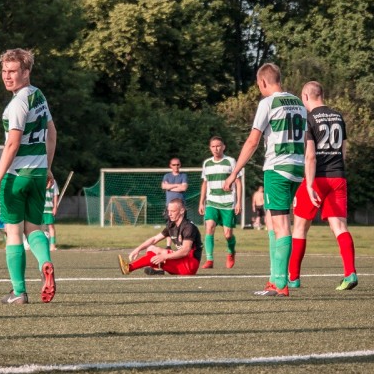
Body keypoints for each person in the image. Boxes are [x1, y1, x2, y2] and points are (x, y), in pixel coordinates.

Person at [223, 63, 307, 297]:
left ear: (262, 82)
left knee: (281, 225)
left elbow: (252, 141)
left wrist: (234, 172)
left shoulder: (268, 103)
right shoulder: (299, 103)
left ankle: (280, 282)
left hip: (277, 168)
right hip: (297, 167)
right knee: (273, 221)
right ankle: (274, 277)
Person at [0, 48, 57, 305]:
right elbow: (52, 133)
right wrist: (47, 167)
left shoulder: (17, 103)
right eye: (4, 71)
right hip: (38, 175)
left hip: (16, 176)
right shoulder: (38, 95)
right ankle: (45, 262)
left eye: (13, 71)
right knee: (34, 228)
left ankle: (19, 292)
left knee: (13, 232)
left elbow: (12, 144)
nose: (7, 76)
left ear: (26, 72)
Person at [288, 81, 359, 291]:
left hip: (317, 178)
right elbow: (344, 152)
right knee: (340, 227)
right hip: (338, 177)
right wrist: (339, 173)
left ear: (306, 96)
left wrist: (309, 185)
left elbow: (310, 156)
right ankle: (350, 273)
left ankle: (294, 277)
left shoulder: (309, 119)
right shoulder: (338, 117)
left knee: (300, 227)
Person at [118, 199, 201, 276]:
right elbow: (154, 239)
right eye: (169, 211)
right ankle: (157, 267)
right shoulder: (172, 225)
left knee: (158, 255)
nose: (169, 214)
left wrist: (164, 256)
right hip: (181, 262)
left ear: (182, 211)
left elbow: (185, 251)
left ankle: (129, 268)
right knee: (151, 248)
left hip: (189, 265)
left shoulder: (188, 227)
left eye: (173, 211)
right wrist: (138, 249)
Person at [198, 136, 241, 269]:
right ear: (210, 148)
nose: (216, 149)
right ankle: (209, 260)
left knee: (228, 234)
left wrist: (238, 202)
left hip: (227, 203)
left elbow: (238, 182)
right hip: (212, 201)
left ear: (223, 147)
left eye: (218, 146)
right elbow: (205, 183)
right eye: (213, 146)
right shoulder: (207, 163)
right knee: (209, 227)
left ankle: (231, 252)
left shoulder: (230, 161)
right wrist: (201, 202)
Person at [44, 178, 60, 251]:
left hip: (49, 208)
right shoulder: (38, 177)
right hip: (38, 208)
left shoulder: (53, 180)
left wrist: (55, 207)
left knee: (51, 226)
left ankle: (52, 245)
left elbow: (55, 194)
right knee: (37, 227)